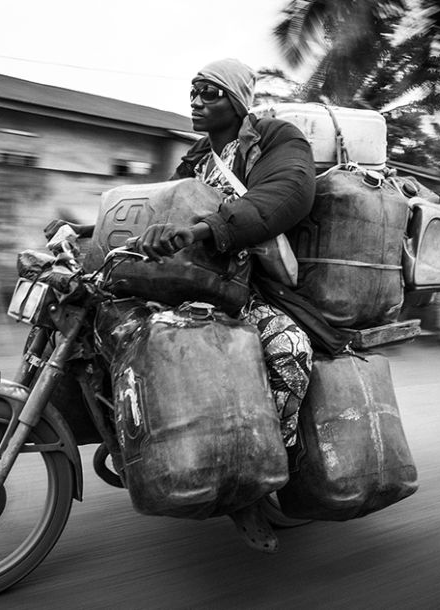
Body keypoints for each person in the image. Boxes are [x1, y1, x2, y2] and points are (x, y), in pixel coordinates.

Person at [131, 58, 320, 554]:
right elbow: (158, 204)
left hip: (253, 285)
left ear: (237, 101)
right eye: (192, 91)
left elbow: (284, 196)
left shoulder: (280, 139)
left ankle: (257, 473)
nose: (195, 101)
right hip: (191, 278)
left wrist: (203, 229)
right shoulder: (196, 157)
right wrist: (87, 228)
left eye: (209, 93)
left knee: (289, 350)